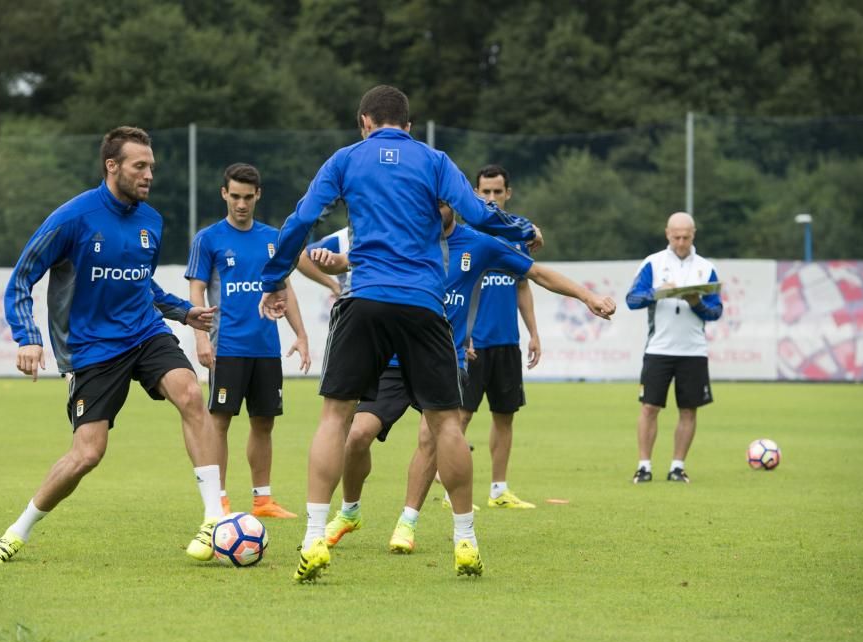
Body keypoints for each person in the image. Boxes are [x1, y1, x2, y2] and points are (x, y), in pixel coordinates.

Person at [258, 84, 546, 582]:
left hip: (365, 299)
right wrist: (521, 228)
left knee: (335, 418)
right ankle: (465, 541)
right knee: (446, 425)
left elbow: (302, 218)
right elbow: (478, 213)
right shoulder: (434, 160)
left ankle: (313, 539)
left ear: (363, 121)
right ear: (408, 126)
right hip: (423, 304)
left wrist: (273, 281)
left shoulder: (346, 159)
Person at [0, 126, 225, 565]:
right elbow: (22, 276)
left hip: (145, 332)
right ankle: (18, 532)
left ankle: (213, 520)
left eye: (152, 167)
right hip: (93, 348)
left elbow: (140, 283)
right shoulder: (74, 217)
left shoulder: (152, 220)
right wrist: (28, 338)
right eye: (140, 166)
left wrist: (182, 312)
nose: (149, 175)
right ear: (112, 166)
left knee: (190, 393)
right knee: (88, 453)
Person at [319, 203, 615, 554]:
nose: (432, 206)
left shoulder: (480, 244)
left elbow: (536, 273)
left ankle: (407, 522)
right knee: (357, 435)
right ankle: (350, 511)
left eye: (440, 200)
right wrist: (332, 263)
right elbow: (353, 262)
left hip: (445, 358)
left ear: (453, 204)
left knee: (432, 435)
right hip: (395, 360)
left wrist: (588, 296)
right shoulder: (406, 240)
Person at [185, 163, 310, 527]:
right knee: (219, 422)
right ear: (224, 194)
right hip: (227, 347)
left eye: (248, 197)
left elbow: (283, 289)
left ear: (258, 196)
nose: (241, 203)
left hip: (265, 347)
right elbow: (196, 289)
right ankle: (219, 501)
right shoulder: (208, 239)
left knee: (264, 422)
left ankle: (263, 499)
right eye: (235, 196)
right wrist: (201, 336)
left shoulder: (273, 238)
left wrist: (300, 334)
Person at [459, 164, 541, 509]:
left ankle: (498, 490)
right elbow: (455, 290)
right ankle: (451, 489)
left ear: (508, 193)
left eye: (497, 192)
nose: (491, 197)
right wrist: (463, 337)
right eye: (484, 192)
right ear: (475, 194)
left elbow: (523, 285)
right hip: (473, 344)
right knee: (459, 418)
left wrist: (534, 333)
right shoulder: (465, 235)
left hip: (507, 341)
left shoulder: (517, 234)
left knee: (504, 415)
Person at [626, 212, 723, 484]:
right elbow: (632, 299)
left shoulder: (706, 268)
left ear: (694, 235)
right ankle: (644, 466)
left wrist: (696, 303)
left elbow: (715, 312)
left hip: (693, 350)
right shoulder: (653, 263)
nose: (681, 242)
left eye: (686, 237)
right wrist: (658, 291)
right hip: (659, 348)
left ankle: (677, 467)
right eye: (676, 236)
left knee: (689, 410)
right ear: (667, 233)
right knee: (649, 407)